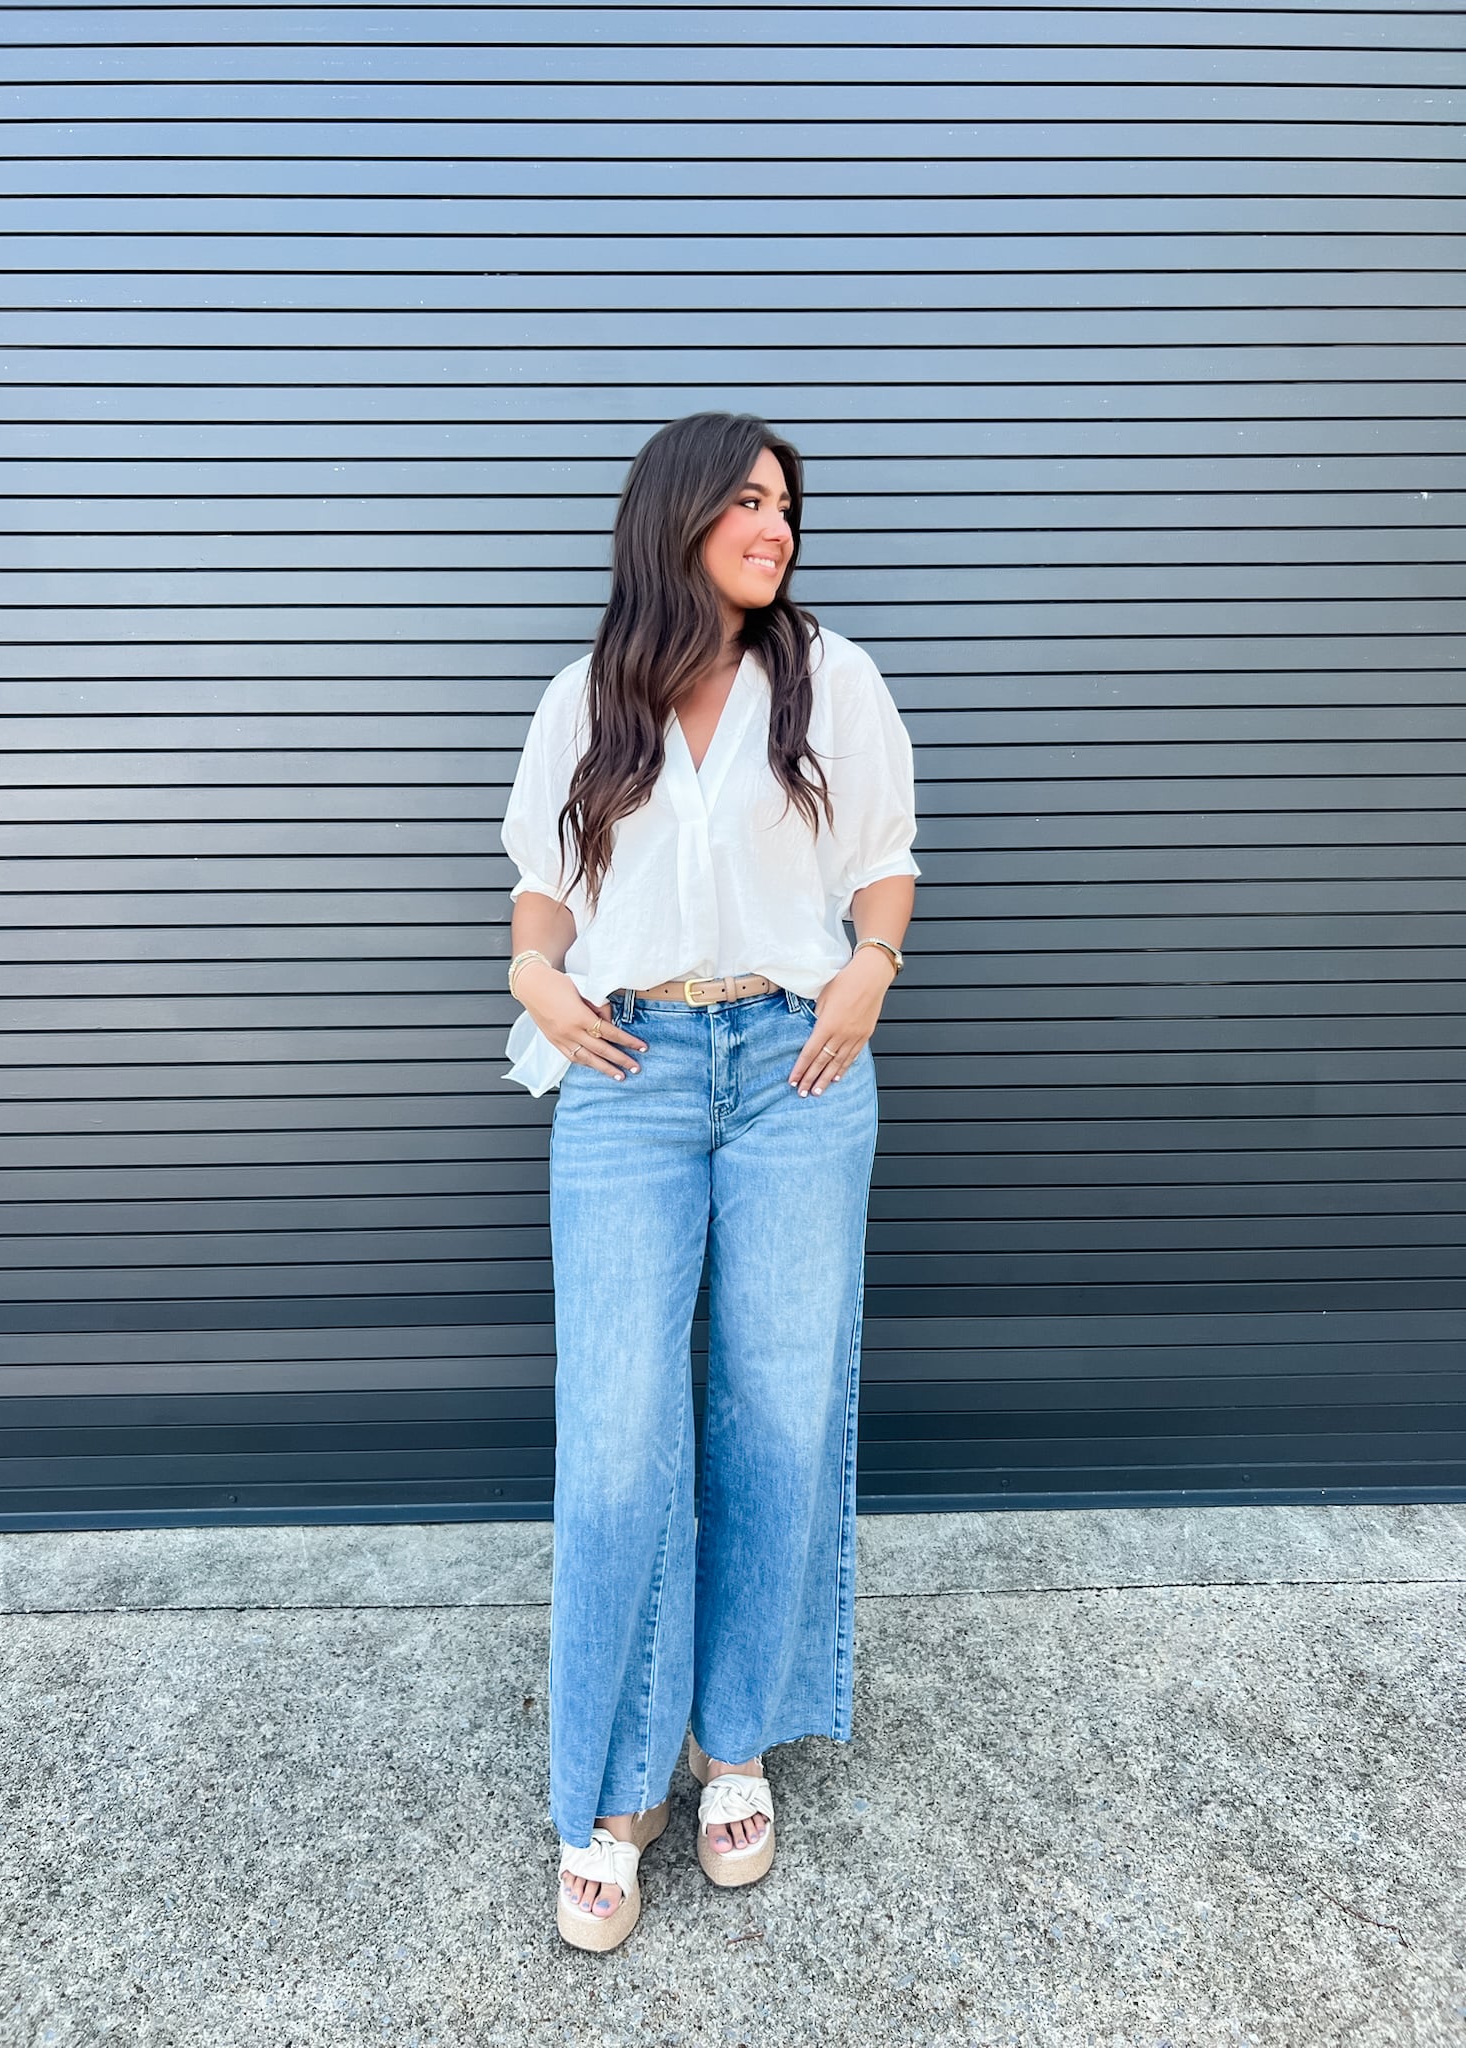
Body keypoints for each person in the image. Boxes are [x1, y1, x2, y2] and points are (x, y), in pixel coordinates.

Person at [499, 411, 919, 1951]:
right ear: (675, 517)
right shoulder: (583, 697)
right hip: (631, 1069)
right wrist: (535, 979)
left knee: (782, 1402)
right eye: (749, 500)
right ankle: (618, 1786)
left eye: (789, 506)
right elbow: (541, 887)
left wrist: (870, 970)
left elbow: (887, 851)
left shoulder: (834, 679)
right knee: (619, 1434)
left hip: (800, 1066)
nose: (779, 526)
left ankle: (730, 1736)